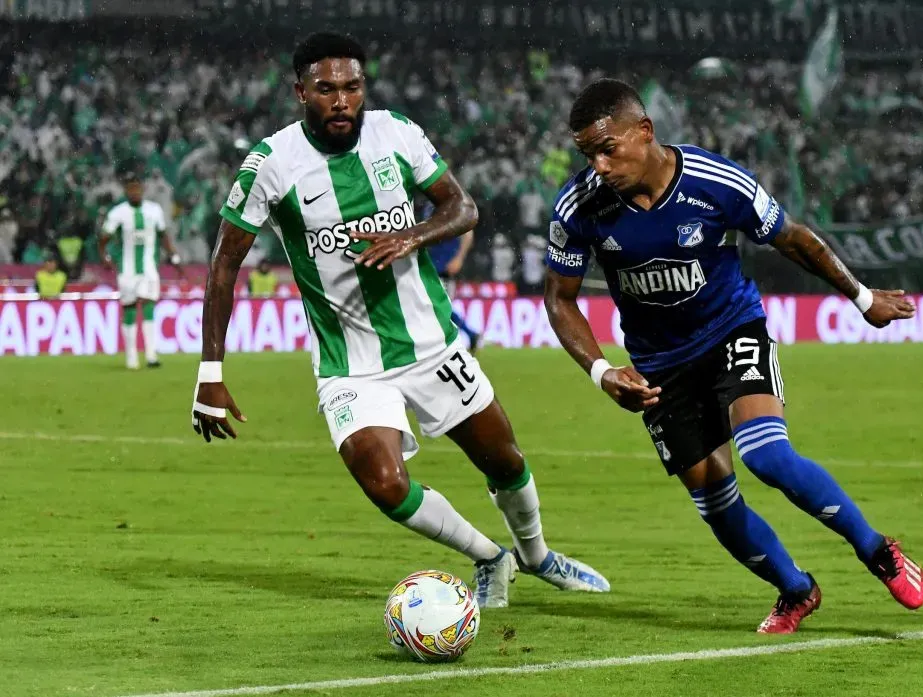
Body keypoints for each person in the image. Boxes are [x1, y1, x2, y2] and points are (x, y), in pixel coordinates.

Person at [190, 33, 609, 608]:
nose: (341, 100)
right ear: (300, 92)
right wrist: (209, 370)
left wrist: (409, 236)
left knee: (504, 459)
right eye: (326, 89)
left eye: (352, 87)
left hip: (432, 344)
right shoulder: (270, 164)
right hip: (350, 364)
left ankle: (538, 556)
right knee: (384, 482)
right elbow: (224, 265)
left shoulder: (398, 134)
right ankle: (490, 557)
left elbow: (462, 209)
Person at [543, 78, 923, 633]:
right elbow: (559, 298)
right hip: (658, 364)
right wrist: (603, 372)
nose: (598, 165)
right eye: (588, 154)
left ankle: (876, 551)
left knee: (766, 456)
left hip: (730, 331)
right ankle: (796, 589)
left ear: (644, 132)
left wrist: (862, 297)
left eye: (608, 149)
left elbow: (791, 237)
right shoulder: (579, 207)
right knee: (713, 498)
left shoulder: (715, 182)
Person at [99, 171, 182, 369]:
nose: (134, 192)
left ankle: (151, 355)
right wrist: (105, 257)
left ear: (143, 190)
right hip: (127, 270)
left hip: (148, 269)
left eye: (137, 188)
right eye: (131, 189)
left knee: (148, 306)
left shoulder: (154, 210)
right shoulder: (117, 212)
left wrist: (174, 256)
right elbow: (103, 238)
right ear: (126, 191)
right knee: (129, 308)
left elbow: (164, 236)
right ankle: (131, 358)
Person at [424, 199, 481, 353]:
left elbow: (468, 233)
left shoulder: (450, 203)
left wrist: (459, 258)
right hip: (431, 266)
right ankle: (468, 335)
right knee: (435, 307)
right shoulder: (429, 206)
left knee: (440, 307)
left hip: (445, 268)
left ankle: (462, 338)